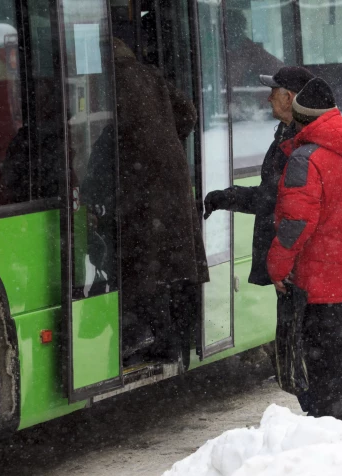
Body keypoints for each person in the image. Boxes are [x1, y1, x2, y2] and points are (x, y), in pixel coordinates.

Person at [267, 78, 342, 422]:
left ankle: (327, 443)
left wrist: (277, 268)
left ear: (300, 116)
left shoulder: (305, 160)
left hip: (317, 282)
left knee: (318, 374)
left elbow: (294, 224)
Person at [106, 38, 209, 367]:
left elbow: (110, 133)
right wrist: (164, 137)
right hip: (171, 179)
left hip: (142, 184)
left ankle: (152, 338)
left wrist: (140, 150)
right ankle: (170, 338)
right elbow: (189, 113)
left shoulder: (110, 83)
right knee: (166, 264)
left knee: (141, 262)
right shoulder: (149, 76)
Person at [204, 66, 314, 286]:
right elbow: (272, 196)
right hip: (293, 270)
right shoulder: (286, 136)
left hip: (298, 272)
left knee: (293, 320)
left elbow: (297, 213)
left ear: (288, 98)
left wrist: (285, 264)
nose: (268, 98)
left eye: (273, 92)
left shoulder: (301, 144)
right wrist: (226, 197)